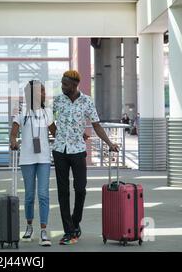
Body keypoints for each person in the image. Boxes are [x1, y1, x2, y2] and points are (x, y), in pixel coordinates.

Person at [48, 70, 119, 245]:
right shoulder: (57, 100)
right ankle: (68, 231)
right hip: (59, 151)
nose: (62, 86)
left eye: (65, 84)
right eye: (62, 83)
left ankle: (75, 221)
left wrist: (109, 143)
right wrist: (57, 134)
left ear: (74, 85)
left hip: (78, 151)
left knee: (80, 189)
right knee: (63, 192)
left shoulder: (87, 101)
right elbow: (48, 119)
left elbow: (96, 125)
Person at [10, 80, 53, 247]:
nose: (43, 94)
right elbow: (13, 132)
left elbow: (55, 131)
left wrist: (76, 135)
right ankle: (29, 227)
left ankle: (43, 230)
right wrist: (13, 141)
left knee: (43, 194)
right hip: (27, 159)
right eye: (40, 91)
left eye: (43, 91)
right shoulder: (21, 112)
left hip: (43, 159)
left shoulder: (47, 112)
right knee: (29, 196)